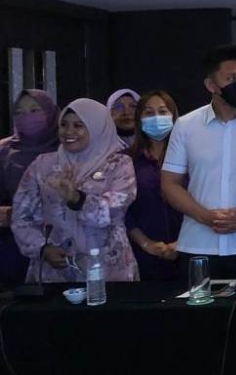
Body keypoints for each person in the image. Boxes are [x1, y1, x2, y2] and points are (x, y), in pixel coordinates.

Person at [162, 44, 236, 279]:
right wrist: (204, 216)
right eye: (231, 78)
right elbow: (170, 183)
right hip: (197, 244)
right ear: (211, 85)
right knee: (197, 303)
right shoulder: (186, 125)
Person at [12, 98, 137, 283]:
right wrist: (42, 248)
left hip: (107, 268)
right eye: (64, 125)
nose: (69, 131)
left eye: (78, 125)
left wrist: (77, 198)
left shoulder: (119, 165)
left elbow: (113, 211)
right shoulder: (42, 165)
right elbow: (21, 216)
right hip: (54, 269)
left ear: (97, 127)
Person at [0, 90, 60, 284]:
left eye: (35, 110)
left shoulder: (67, 146)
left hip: (62, 240)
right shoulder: (4, 150)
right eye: (19, 112)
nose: (27, 117)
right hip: (14, 244)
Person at [125, 91, 183, 280]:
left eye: (163, 111)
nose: (157, 118)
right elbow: (123, 212)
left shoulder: (190, 155)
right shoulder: (125, 160)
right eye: (149, 112)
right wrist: (145, 243)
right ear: (139, 119)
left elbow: (203, 199)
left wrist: (182, 242)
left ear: (174, 117)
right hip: (142, 254)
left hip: (188, 250)